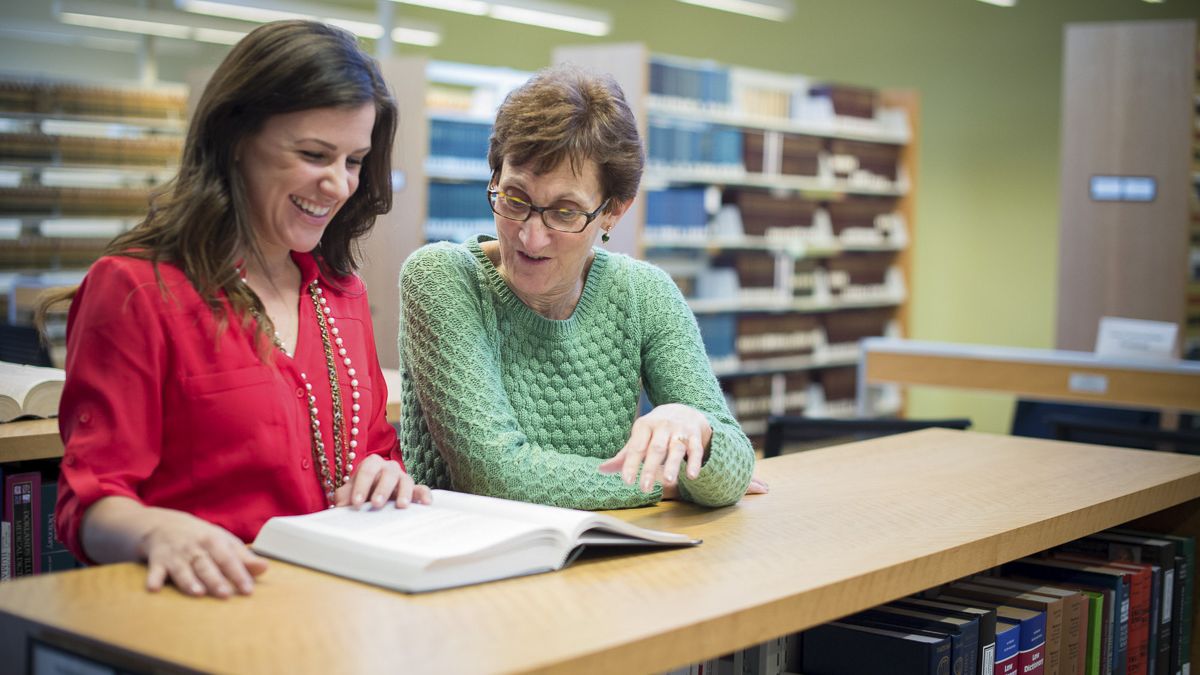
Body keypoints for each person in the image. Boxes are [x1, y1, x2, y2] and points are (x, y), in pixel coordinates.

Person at [45, 20, 430, 599]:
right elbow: (88, 504)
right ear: (235, 140)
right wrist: (152, 530)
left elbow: (374, 448)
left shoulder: (339, 292)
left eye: (354, 160)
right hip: (208, 608)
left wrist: (386, 476)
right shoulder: (135, 291)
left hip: (337, 604)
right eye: (313, 154)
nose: (338, 185)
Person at [398, 64, 765, 510]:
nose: (531, 236)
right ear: (494, 178)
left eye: (565, 212)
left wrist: (698, 431)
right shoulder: (442, 278)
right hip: (466, 561)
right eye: (515, 198)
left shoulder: (644, 293)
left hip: (599, 555)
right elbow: (494, 474)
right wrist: (662, 482)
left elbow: (734, 465)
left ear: (613, 212)